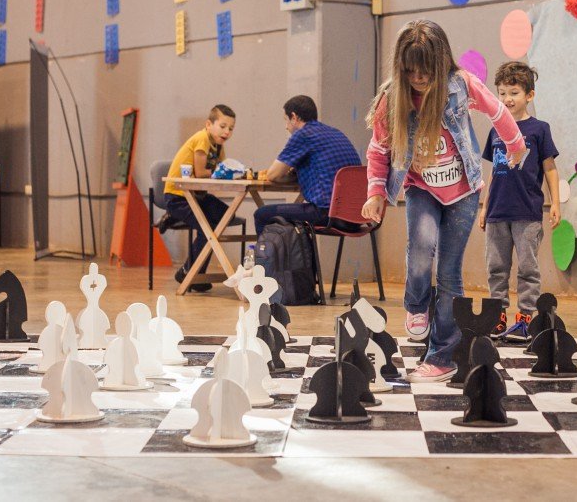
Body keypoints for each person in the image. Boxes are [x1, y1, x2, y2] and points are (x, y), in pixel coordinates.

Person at [362, 19, 526, 382]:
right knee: (421, 247)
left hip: (463, 191)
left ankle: (441, 357)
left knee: (450, 270)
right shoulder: (392, 98)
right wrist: (375, 193)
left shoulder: (461, 84)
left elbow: (497, 111)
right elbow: (378, 149)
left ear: (441, 63)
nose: (419, 78)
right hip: (421, 188)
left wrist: (515, 144)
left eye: (426, 70)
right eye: (411, 71)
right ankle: (416, 305)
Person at [479, 61, 560, 342]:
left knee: (528, 268)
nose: (507, 99)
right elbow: (494, 171)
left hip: (527, 213)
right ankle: (497, 316)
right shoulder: (495, 130)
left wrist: (555, 203)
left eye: (514, 93)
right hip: (497, 213)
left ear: (530, 95)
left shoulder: (539, 129)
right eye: (502, 93)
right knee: (496, 268)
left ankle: (525, 319)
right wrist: (485, 206)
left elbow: (550, 168)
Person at [256, 95, 361, 234]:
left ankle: (269, 250)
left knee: (262, 214)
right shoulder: (335, 132)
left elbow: (273, 175)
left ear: (294, 117)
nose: (286, 127)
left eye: (286, 120)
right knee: (294, 218)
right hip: (356, 216)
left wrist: (287, 177)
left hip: (328, 214)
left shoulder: (303, 134)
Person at [163, 104, 236, 293]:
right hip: (178, 196)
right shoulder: (202, 139)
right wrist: (224, 172)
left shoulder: (218, 146)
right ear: (208, 124)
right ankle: (189, 272)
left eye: (231, 128)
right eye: (223, 126)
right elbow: (202, 172)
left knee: (225, 216)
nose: (227, 132)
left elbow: (222, 169)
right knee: (208, 229)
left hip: (198, 197)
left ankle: (196, 273)